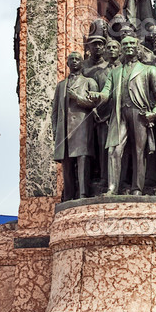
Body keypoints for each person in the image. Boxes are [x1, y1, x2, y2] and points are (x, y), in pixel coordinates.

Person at [95, 35, 156, 195]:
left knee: (139, 151)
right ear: (121, 48)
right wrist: (96, 96)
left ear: (137, 46)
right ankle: (112, 188)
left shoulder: (149, 69)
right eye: (125, 44)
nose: (128, 46)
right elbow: (106, 93)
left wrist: (154, 113)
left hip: (139, 113)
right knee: (114, 150)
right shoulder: (115, 72)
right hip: (119, 114)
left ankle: (137, 188)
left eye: (132, 43)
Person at [51, 52, 99, 201]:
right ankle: (69, 195)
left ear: (82, 63)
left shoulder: (89, 82)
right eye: (71, 59)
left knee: (82, 159)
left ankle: (83, 193)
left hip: (82, 126)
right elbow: (55, 111)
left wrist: (77, 98)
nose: (74, 62)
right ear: (67, 63)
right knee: (67, 164)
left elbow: (95, 103)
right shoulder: (61, 86)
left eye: (77, 59)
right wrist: (55, 131)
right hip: (64, 129)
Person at [83, 34, 110, 187]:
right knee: (87, 147)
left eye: (100, 44)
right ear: (89, 47)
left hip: (104, 113)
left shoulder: (108, 67)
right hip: (85, 113)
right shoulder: (84, 67)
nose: (97, 47)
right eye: (94, 44)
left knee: (103, 145)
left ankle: (103, 177)